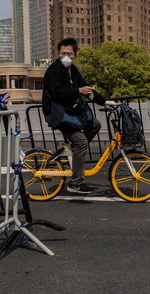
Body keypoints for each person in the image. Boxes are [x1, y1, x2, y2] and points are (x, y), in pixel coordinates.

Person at [42, 38, 107, 194]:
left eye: (69, 53)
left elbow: (86, 88)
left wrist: (105, 102)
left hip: (68, 112)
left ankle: (74, 148)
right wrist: (78, 91)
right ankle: (75, 183)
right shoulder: (54, 70)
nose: (65, 56)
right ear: (58, 54)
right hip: (56, 114)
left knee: (96, 124)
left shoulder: (73, 69)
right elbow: (56, 94)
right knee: (82, 141)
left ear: (74, 55)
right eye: (62, 53)